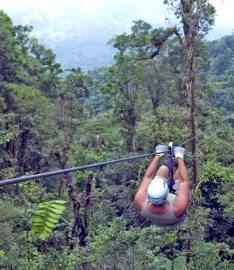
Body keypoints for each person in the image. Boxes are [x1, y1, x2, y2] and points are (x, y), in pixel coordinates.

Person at [134, 145, 190, 227]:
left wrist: (158, 155)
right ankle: (175, 185)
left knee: (163, 169)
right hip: (173, 215)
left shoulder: (140, 201)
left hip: (158, 217)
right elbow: (185, 181)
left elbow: (147, 177)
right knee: (179, 173)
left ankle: (173, 183)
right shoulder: (178, 208)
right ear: (167, 194)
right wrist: (179, 156)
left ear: (149, 195)